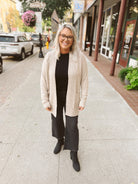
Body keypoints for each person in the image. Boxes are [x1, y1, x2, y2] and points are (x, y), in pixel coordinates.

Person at [40, 24, 88, 172]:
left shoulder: (80, 58)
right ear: (58, 37)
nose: (65, 39)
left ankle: (73, 153)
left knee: (72, 125)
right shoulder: (49, 57)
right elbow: (43, 79)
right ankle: (60, 140)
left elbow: (84, 80)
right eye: (63, 35)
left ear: (73, 39)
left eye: (69, 36)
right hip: (55, 96)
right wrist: (45, 99)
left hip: (72, 96)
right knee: (57, 120)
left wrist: (83, 99)